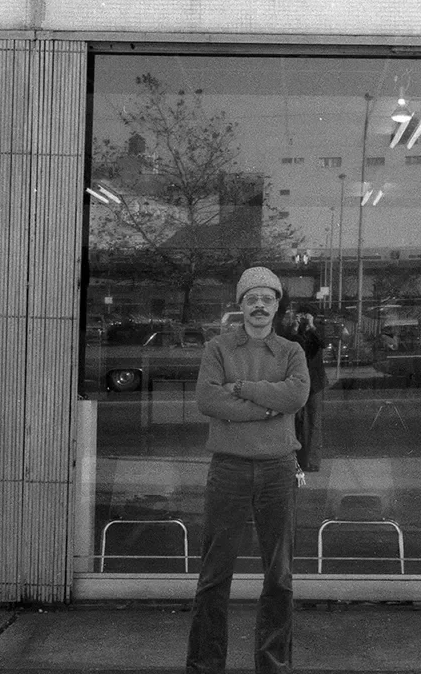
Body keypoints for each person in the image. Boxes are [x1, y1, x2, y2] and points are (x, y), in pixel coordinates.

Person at [187, 267, 310, 674]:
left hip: (278, 471)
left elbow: (297, 395)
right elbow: (209, 400)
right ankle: (205, 666)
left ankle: (273, 665)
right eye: (251, 298)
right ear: (240, 305)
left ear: (277, 305)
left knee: (279, 578)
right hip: (229, 470)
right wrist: (271, 405)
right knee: (214, 576)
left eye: (267, 298)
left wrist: (241, 389)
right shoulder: (217, 349)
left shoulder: (292, 351)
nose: (259, 305)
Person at [281, 305, 327, 472]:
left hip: (314, 382)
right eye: (301, 315)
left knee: (314, 421)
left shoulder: (317, 329)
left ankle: (313, 461)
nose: (303, 318)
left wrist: (312, 326)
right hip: (298, 381)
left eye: (306, 315)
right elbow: (287, 346)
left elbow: (323, 343)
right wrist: (294, 329)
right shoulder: (293, 332)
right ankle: (298, 460)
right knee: (297, 420)